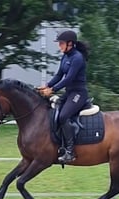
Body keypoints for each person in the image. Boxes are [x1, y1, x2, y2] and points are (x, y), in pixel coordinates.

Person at [39, 30, 89, 163]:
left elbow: (69, 78)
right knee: (53, 112)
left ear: (70, 43)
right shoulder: (65, 56)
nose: (59, 46)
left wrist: (53, 90)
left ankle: (70, 152)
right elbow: (59, 75)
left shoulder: (77, 58)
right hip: (69, 93)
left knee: (63, 116)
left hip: (79, 93)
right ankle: (59, 143)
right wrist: (47, 85)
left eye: (61, 43)